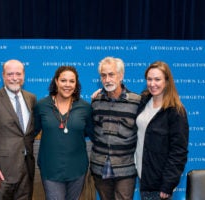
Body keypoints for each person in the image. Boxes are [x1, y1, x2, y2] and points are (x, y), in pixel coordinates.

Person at [34, 66, 93, 200]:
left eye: (72, 81)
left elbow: (92, 133)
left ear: (76, 84)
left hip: (77, 169)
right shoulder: (42, 106)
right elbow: (31, 133)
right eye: (63, 80)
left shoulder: (85, 107)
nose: (67, 85)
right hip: (50, 169)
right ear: (56, 81)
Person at [0, 59, 37, 200]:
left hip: (26, 168)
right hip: (1, 171)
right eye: (10, 74)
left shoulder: (31, 98)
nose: (14, 78)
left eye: (18, 74)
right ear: (3, 76)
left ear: (24, 75)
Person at [135, 61, 189, 200]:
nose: (152, 84)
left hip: (159, 185)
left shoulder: (176, 111)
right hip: (143, 177)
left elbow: (179, 152)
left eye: (157, 79)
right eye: (149, 79)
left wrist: (168, 184)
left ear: (167, 81)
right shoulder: (144, 100)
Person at [90, 56, 141, 200]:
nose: (107, 79)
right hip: (99, 166)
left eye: (111, 74)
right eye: (103, 75)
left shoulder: (136, 102)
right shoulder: (96, 101)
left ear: (121, 75)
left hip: (125, 168)